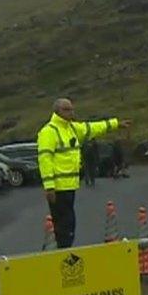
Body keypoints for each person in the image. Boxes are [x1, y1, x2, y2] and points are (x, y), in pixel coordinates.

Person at [37, 98, 131, 247]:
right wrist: (49, 186)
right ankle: (58, 256)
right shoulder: (49, 132)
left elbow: (93, 128)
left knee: (65, 226)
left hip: (70, 186)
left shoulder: (73, 129)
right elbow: (45, 159)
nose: (71, 112)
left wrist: (115, 124)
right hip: (58, 188)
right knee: (64, 226)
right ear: (57, 112)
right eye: (67, 109)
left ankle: (57, 254)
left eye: (72, 109)